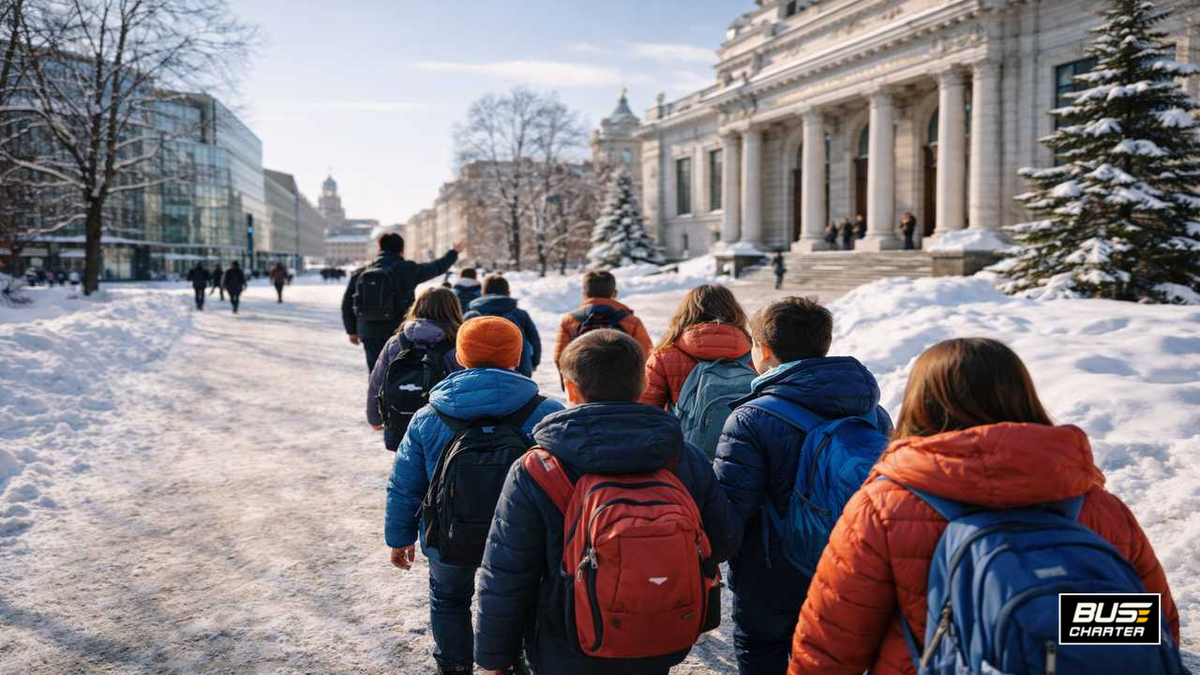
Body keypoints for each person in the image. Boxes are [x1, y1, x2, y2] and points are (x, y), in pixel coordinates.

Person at [788, 338, 1182, 675]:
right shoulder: (1096, 503)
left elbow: (832, 643)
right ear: (1024, 397)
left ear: (921, 404)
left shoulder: (885, 506)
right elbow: (1152, 624)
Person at [474, 329, 742, 675]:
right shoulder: (681, 457)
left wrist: (495, 657)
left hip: (566, 642)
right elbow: (724, 541)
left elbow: (508, 573)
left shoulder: (538, 468)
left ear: (570, 388)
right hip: (657, 636)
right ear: (642, 385)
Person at [714, 297, 890, 675]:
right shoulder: (871, 411)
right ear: (824, 344)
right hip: (848, 567)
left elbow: (733, 511)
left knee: (761, 651)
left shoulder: (750, 418)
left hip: (771, 575)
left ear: (763, 351)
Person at [386, 316, 564, 675]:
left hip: (448, 533)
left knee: (449, 599)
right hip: (525, 536)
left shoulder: (428, 415)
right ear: (515, 358)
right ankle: (514, 660)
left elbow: (405, 484)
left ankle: (454, 665)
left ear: (462, 357)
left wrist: (399, 537)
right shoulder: (547, 413)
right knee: (522, 597)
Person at [639, 285, 754, 458]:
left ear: (686, 312)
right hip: (744, 453)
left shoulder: (664, 354)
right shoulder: (756, 352)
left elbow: (645, 413)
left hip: (686, 456)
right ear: (733, 311)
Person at [342, 233, 462, 373]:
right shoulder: (407, 269)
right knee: (400, 373)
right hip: (399, 331)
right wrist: (454, 252)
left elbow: (347, 302)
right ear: (401, 250)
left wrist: (351, 330)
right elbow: (437, 267)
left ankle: (376, 395)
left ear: (380, 248)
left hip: (369, 331)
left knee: (376, 372)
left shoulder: (362, 271)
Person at [367, 287, 465, 451]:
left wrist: (374, 418)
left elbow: (376, 382)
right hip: (444, 430)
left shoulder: (396, 342)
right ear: (454, 310)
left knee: (406, 472)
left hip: (399, 427)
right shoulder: (457, 346)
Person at [553, 270, 652, 373]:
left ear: (584, 293)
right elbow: (646, 355)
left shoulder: (570, 321)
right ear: (614, 293)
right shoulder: (631, 321)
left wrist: (570, 384)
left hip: (583, 383)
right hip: (623, 383)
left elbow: (560, 358)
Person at [463, 275, 540, 377]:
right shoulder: (520, 314)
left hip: (477, 374)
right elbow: (534, 341)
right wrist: (533, 363)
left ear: (483, 293)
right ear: (508, 292)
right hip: (517, 373)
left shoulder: (472, 314)